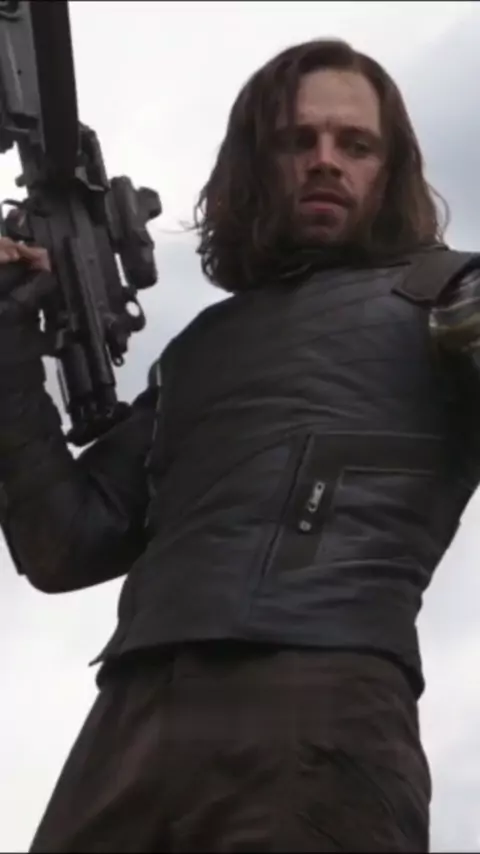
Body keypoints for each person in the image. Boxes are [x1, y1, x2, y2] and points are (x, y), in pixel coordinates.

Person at [0, 38, 479, 853]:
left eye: (355, 145)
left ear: (390, 170)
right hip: (128, 722)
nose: (325, 160)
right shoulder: (198, 351)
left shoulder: (451, 294)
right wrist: (9, 342)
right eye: (298, 140)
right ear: (255, 166)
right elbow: (64, 545)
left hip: (319, 713)